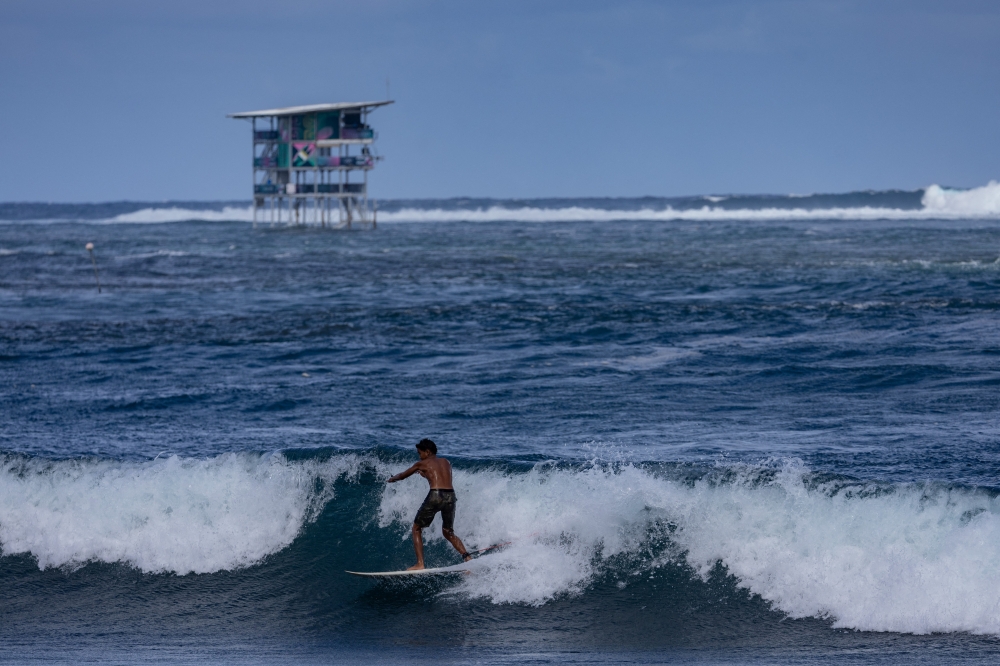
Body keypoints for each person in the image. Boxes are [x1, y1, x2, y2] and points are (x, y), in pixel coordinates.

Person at [387, 438, 472, 570]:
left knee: (416, 528)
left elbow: (403, 475)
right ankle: (467, 558)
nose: (419, 456)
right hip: (450, 496)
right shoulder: (446, 462)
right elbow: (440, 477)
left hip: (435, 495)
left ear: (427, 452)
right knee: (448, 532)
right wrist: (426, 475)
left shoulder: (421, 464)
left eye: (420, 453)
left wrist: (392, 479)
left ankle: (420, 564)